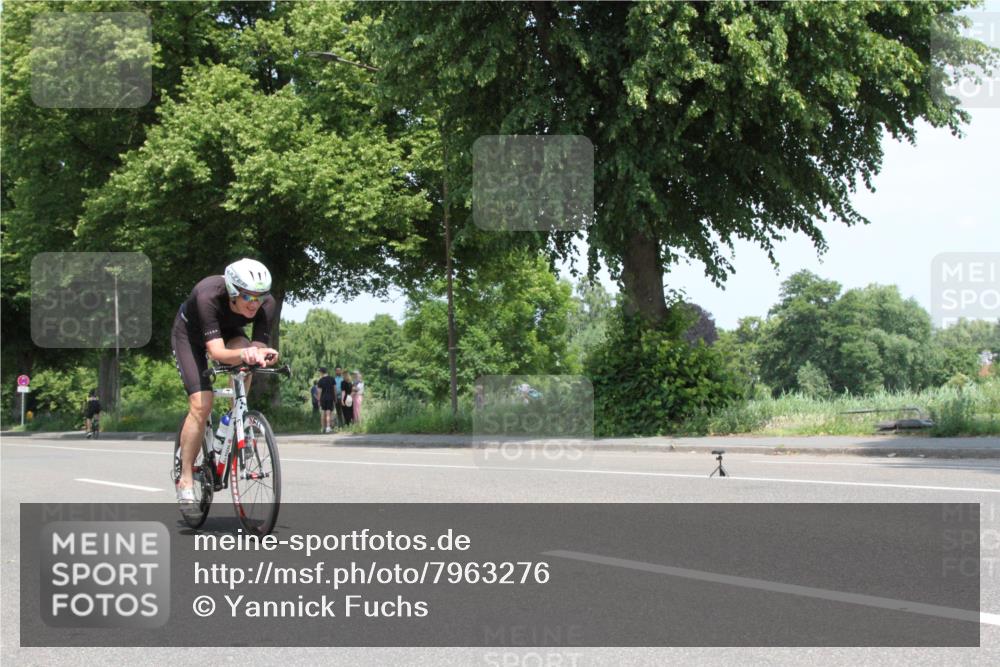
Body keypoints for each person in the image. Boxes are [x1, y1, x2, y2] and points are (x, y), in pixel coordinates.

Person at [172, 258, 279, 504]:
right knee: (202, 404)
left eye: (260, 297)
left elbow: (255, 349)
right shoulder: (207, 294)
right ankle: (185, 478)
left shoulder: (267, 304)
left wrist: (260, 353)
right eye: (248, 297)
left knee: (247, 359)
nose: (255, 304)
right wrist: (245, 354)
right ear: (232, 291)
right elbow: (217, 352)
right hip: (190, 337)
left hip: (229, 334)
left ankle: (234, 420)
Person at [317, 367, 336, 433]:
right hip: (330, 398)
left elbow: (319, 392)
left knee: (323, 412)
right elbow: (334, 390)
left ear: (321, 372)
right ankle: (328, 427)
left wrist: (318, 400)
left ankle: (322, 428)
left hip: (323, 398)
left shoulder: (320, 380)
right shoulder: (332, 379)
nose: (319, 373)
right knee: (328, 413)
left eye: (320, 372)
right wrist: (335, 398)